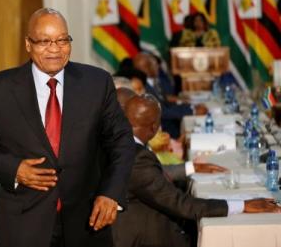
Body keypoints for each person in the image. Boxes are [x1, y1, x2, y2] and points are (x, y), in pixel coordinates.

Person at [0, 8, 136, 247]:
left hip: (88, 222)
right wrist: (13, 169)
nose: (55, 48)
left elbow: (121, 140)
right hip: (25, 223)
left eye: (62, 40)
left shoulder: (97, 82)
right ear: (28, 44)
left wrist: (111, 192)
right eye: (44, 41)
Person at [112, 95, 281, 247]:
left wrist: (191, 167)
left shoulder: (121, 143)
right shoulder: (135, 156)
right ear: (154, 127)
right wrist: (242, 205)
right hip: (144, 236)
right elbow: (181, 204)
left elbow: (151, 179)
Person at [133, 52, 207, 138]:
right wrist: (192, 111)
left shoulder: (151, 83)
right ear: (146, 68)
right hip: (166, 131)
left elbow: (163, 99)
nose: (158, 68)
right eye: (156, 65)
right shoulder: (143, 87)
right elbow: (162, 112)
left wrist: (189, 105)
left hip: (170, 123)